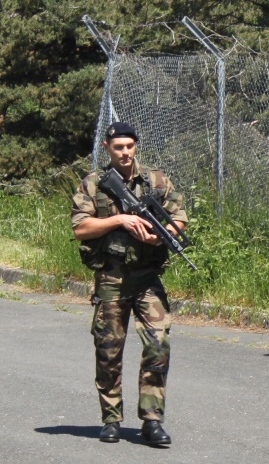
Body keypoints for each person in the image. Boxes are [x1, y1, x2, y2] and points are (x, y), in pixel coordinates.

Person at [71, 121, 188, 446]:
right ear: (107, 148)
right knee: (108, 349)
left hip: (148, 278)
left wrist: (159, 237)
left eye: (130, 147)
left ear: (136, 146)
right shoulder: (94, 184)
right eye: (118, 147)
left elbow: (179, 219)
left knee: (158, 345)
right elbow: (81, 228)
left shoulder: (157, 181)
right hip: (111, 277)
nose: (125, 153)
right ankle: (111, 420)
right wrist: (120, 220)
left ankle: (152, 420)